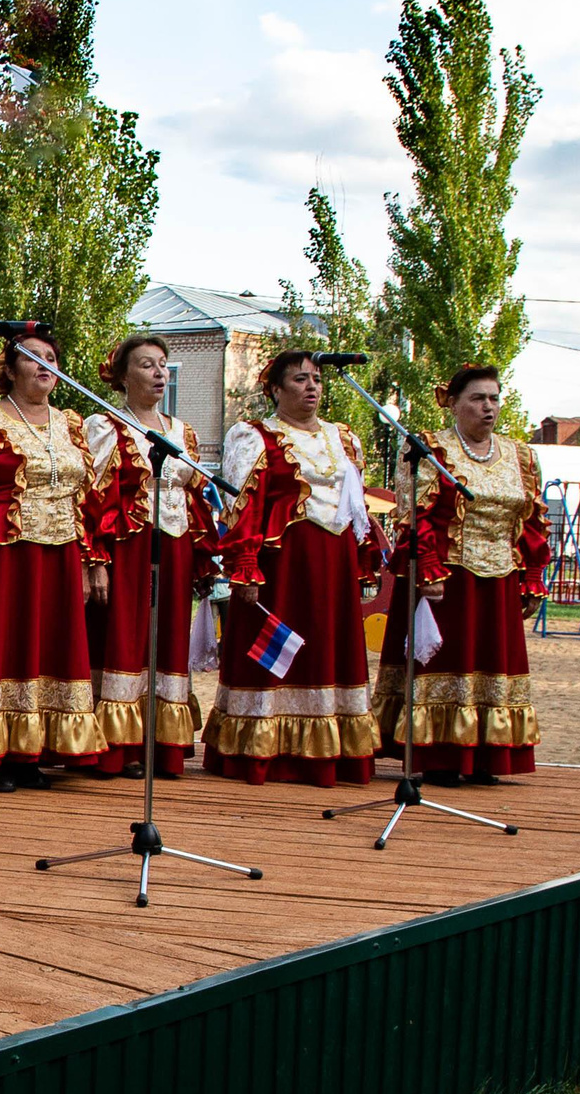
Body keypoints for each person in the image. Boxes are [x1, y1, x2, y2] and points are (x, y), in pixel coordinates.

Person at [207, 350, 385, 786]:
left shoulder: (343, 438)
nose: (312, 386)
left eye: (318, 379)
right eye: (300, 379)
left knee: (330, 646)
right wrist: (245, 565)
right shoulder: (255, 436)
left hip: (334, 561)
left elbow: (356, 505)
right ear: (275, 388)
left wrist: (362, 555)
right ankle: (266, 749)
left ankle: (328, 748)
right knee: (276, 652)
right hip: (284, 563)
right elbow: (242, 507)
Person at [371, 364, 548, 783]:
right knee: (446, 665)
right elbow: (417, 514)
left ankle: (486, 754)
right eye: (477, 398)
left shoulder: (521, 455)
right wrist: (428, 569)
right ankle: (443, 757)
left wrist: (533, 575)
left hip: (500, 578)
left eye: (494, 398)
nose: (488, 407)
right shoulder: (432, 450)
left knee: (492, 664)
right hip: (447, 579)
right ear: (453, 403)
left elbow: (532, 521)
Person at [0, 329, 108, 790]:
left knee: (49, 645)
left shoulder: (71, 423)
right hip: (5, 554)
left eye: (51, 358)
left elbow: (88, 498)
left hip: (60, 553)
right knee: (7, 644)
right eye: (32, 357)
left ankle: (32, 751)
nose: (44, 365)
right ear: (10, 368)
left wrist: (90, 559)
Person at [83, 335, 216, 779]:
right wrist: (95, 559)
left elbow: (196, 499)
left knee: (168, 637)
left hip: (175, 543)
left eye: (162, 365)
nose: (159, 373)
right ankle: (121, 745)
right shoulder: (106, 426)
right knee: (127, 636)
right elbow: (94, 499)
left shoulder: (182, 432)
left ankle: (163, 742)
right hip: (130, 544)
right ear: (122, 376)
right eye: (146, 365)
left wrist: (203, 557)